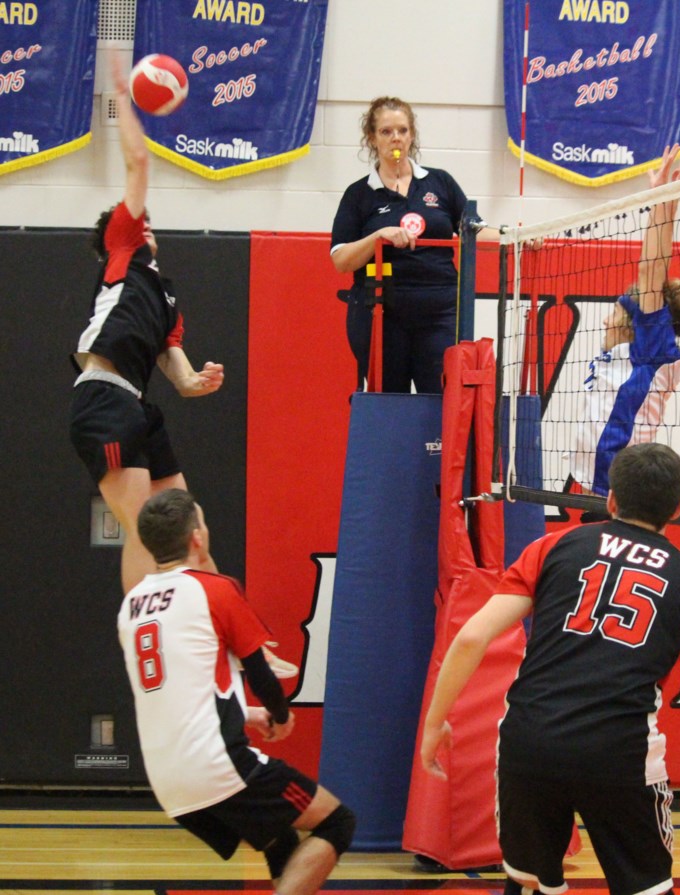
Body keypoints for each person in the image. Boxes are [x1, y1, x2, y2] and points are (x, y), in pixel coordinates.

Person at [421, 443, 680, 895]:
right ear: (677, 509)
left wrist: (435, 723)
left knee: (531, 883)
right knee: (646, 887)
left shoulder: (553, 546)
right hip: (620, 756)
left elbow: (473, 637)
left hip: (530, 742)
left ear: (611, 500)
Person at [117, 488, 355, 893]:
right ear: (197, 538)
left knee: (280, 839)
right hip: (217, 766)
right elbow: (259, 671)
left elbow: (175, 690)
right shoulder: (213, 589)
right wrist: (281, 716)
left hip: (167, 780)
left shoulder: (132, 606)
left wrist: (245, 714)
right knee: (337, 821)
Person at [69, 54, 224, 595]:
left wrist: (198, 382)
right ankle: (142, 636)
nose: (147, 222)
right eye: (141, 219)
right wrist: (121, 98)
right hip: (103, 400)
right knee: (143, 530)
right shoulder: (122, 249)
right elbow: (138, 162)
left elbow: (180, 379)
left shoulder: (165, 295)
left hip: (137, 405)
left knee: (187, 524)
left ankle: (228, 632)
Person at [330, 96, 499, 394]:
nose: (396, 137)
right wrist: (378, 236)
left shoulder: (440, 182)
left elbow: (476, 231)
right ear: (372, 138)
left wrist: (518, 237)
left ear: (412, 135)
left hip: (440, 312)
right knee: (388, 404)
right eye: (386, 131)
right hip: (382, 316)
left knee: (439, 402)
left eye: (403, 130)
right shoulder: (358, 194)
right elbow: (341, 260)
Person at [568, 144, 680, 497]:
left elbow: (653, 265)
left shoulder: (652, 349)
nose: (604, 321)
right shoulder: (624, 352)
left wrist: (663, 198)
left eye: (613, 311)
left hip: (621, 484)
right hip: (599, 480)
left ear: (636, 319)